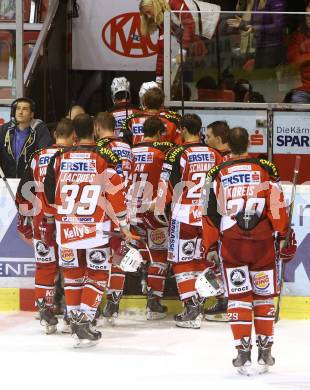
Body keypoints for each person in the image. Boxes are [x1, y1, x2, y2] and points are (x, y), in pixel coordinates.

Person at [202, 127, 297, 374]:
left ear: (228, 147)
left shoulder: (217, 172)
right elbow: (276, 205)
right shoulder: (265, 168)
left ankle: (242, 351)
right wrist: (283, 233)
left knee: (239, 295)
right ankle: (265, 350)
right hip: (262, 243)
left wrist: (210, 244)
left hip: (232, 243)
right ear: (250, 144)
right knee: (264, 295)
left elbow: (210, 213)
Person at [43, 114, 137, 347]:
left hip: (66, 226)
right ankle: (84, 320)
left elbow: (47, 192)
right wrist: (123, 225)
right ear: (94, 131)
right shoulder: (105, 156)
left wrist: (50, 219)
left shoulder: (59, 157)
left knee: (73, 275)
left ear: (74, 133)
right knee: (97, 273)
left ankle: (75, 322)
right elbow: (116, 193)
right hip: (96, 227)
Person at [156, 114, 222, 329]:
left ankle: (192, 308)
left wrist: (158, 207)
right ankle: (215, 299)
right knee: (206, 260)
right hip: (209, 216)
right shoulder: (215, 154)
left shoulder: (177, 153)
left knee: (183, 261)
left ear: (183, 129)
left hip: (184, 214)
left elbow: (166, 185)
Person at [16, 118, 76, 334]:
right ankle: (72, 315)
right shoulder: (72, 156)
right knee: (72, 267)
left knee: (45, 266)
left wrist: (24, 220)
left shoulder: (37, 157)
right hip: (67, 222)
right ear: (73, 137)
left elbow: (23, 193)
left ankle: (46, 313)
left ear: (53, 136)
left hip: (41, 221)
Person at [94, 111, 133, 322]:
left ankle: (95, 302)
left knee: (99, 259)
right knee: (119, 256)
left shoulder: (99, 148)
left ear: (98, 127)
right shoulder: (127, 147)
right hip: (126, 205)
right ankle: (114, 303)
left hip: (105, 208)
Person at [200, 120, 230, 321]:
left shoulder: (221, 162)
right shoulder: (235, 159)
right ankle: (227, 301)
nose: (205, 139)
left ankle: (225, 301)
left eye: (209, 136)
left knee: (219, 260)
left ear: (218, 139)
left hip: (225, 221)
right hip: (236, 222)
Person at [139, 0, 196, 85]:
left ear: (154, 5)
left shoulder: (174, 2)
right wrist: (158, 79)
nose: (149, 16)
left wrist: (182, 52)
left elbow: (190, 24)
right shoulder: (163, 19)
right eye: (146, 15)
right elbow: (163, 49)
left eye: (148, 12)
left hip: (214, 30)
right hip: (200, 40)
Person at [0, 97, 52, 178]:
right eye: (18, 109)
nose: (20, 112)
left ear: (31, 114)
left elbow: (44, 154)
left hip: (30, 180)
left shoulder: (40, 130)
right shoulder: (4, 129)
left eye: (25, 109)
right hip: (7, 180)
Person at [227, 0, 287, 69]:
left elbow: (278, 27)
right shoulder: (257, 2)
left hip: (272, 47)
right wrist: (243, 24)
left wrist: (255, 28)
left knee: (266, 77)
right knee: (259, 75)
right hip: (259, 47)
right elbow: (254, 25)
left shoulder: (276, 1)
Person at [287, 1, 310, 103]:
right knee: (297, 101)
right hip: (303, 90)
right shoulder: (298, 36)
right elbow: (294, 61)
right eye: (308, 17)